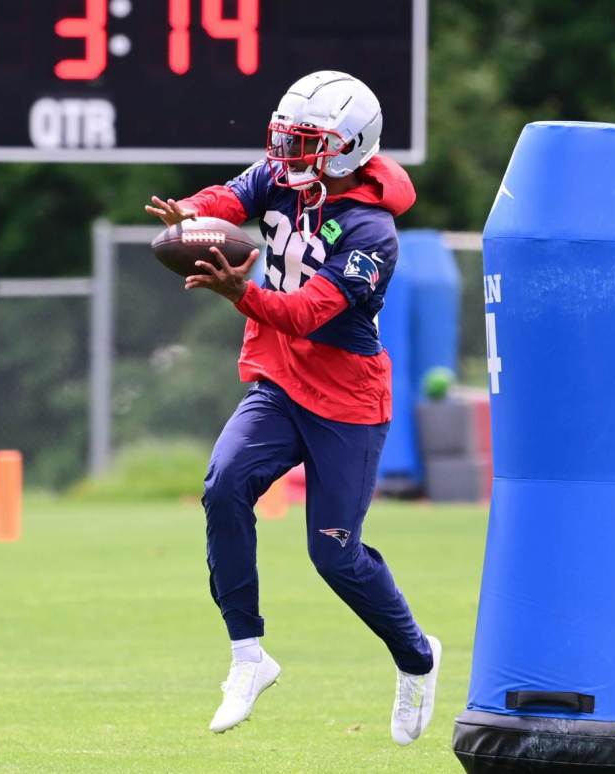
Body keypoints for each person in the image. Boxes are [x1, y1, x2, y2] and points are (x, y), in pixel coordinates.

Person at [145, 71, 441, 745]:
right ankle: (249, 655)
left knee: (336, 557)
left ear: (347, 147)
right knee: (223, 487)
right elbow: (231, 193)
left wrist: (237, 294)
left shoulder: (373, 232)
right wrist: (193, 212)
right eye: (288, 136)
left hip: (344, 399)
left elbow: (307, 314)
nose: (288, 151)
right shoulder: (284, 176)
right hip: (279, 382)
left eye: (305, 140)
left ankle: (418, 657)